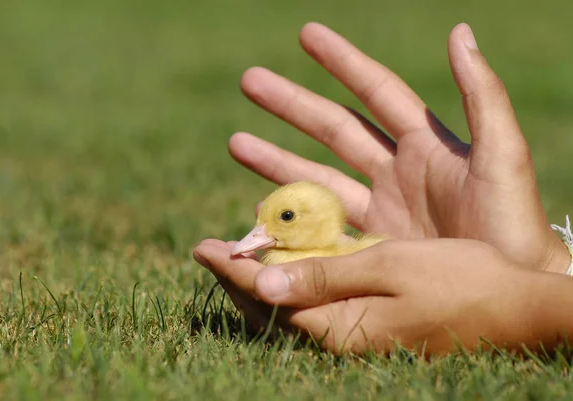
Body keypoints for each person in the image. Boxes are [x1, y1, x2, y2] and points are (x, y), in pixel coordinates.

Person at [193, 22, 573, 355]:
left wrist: (516, 305)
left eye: (285, 218)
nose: (256, 235)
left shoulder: (332, 261)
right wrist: (548, 268)